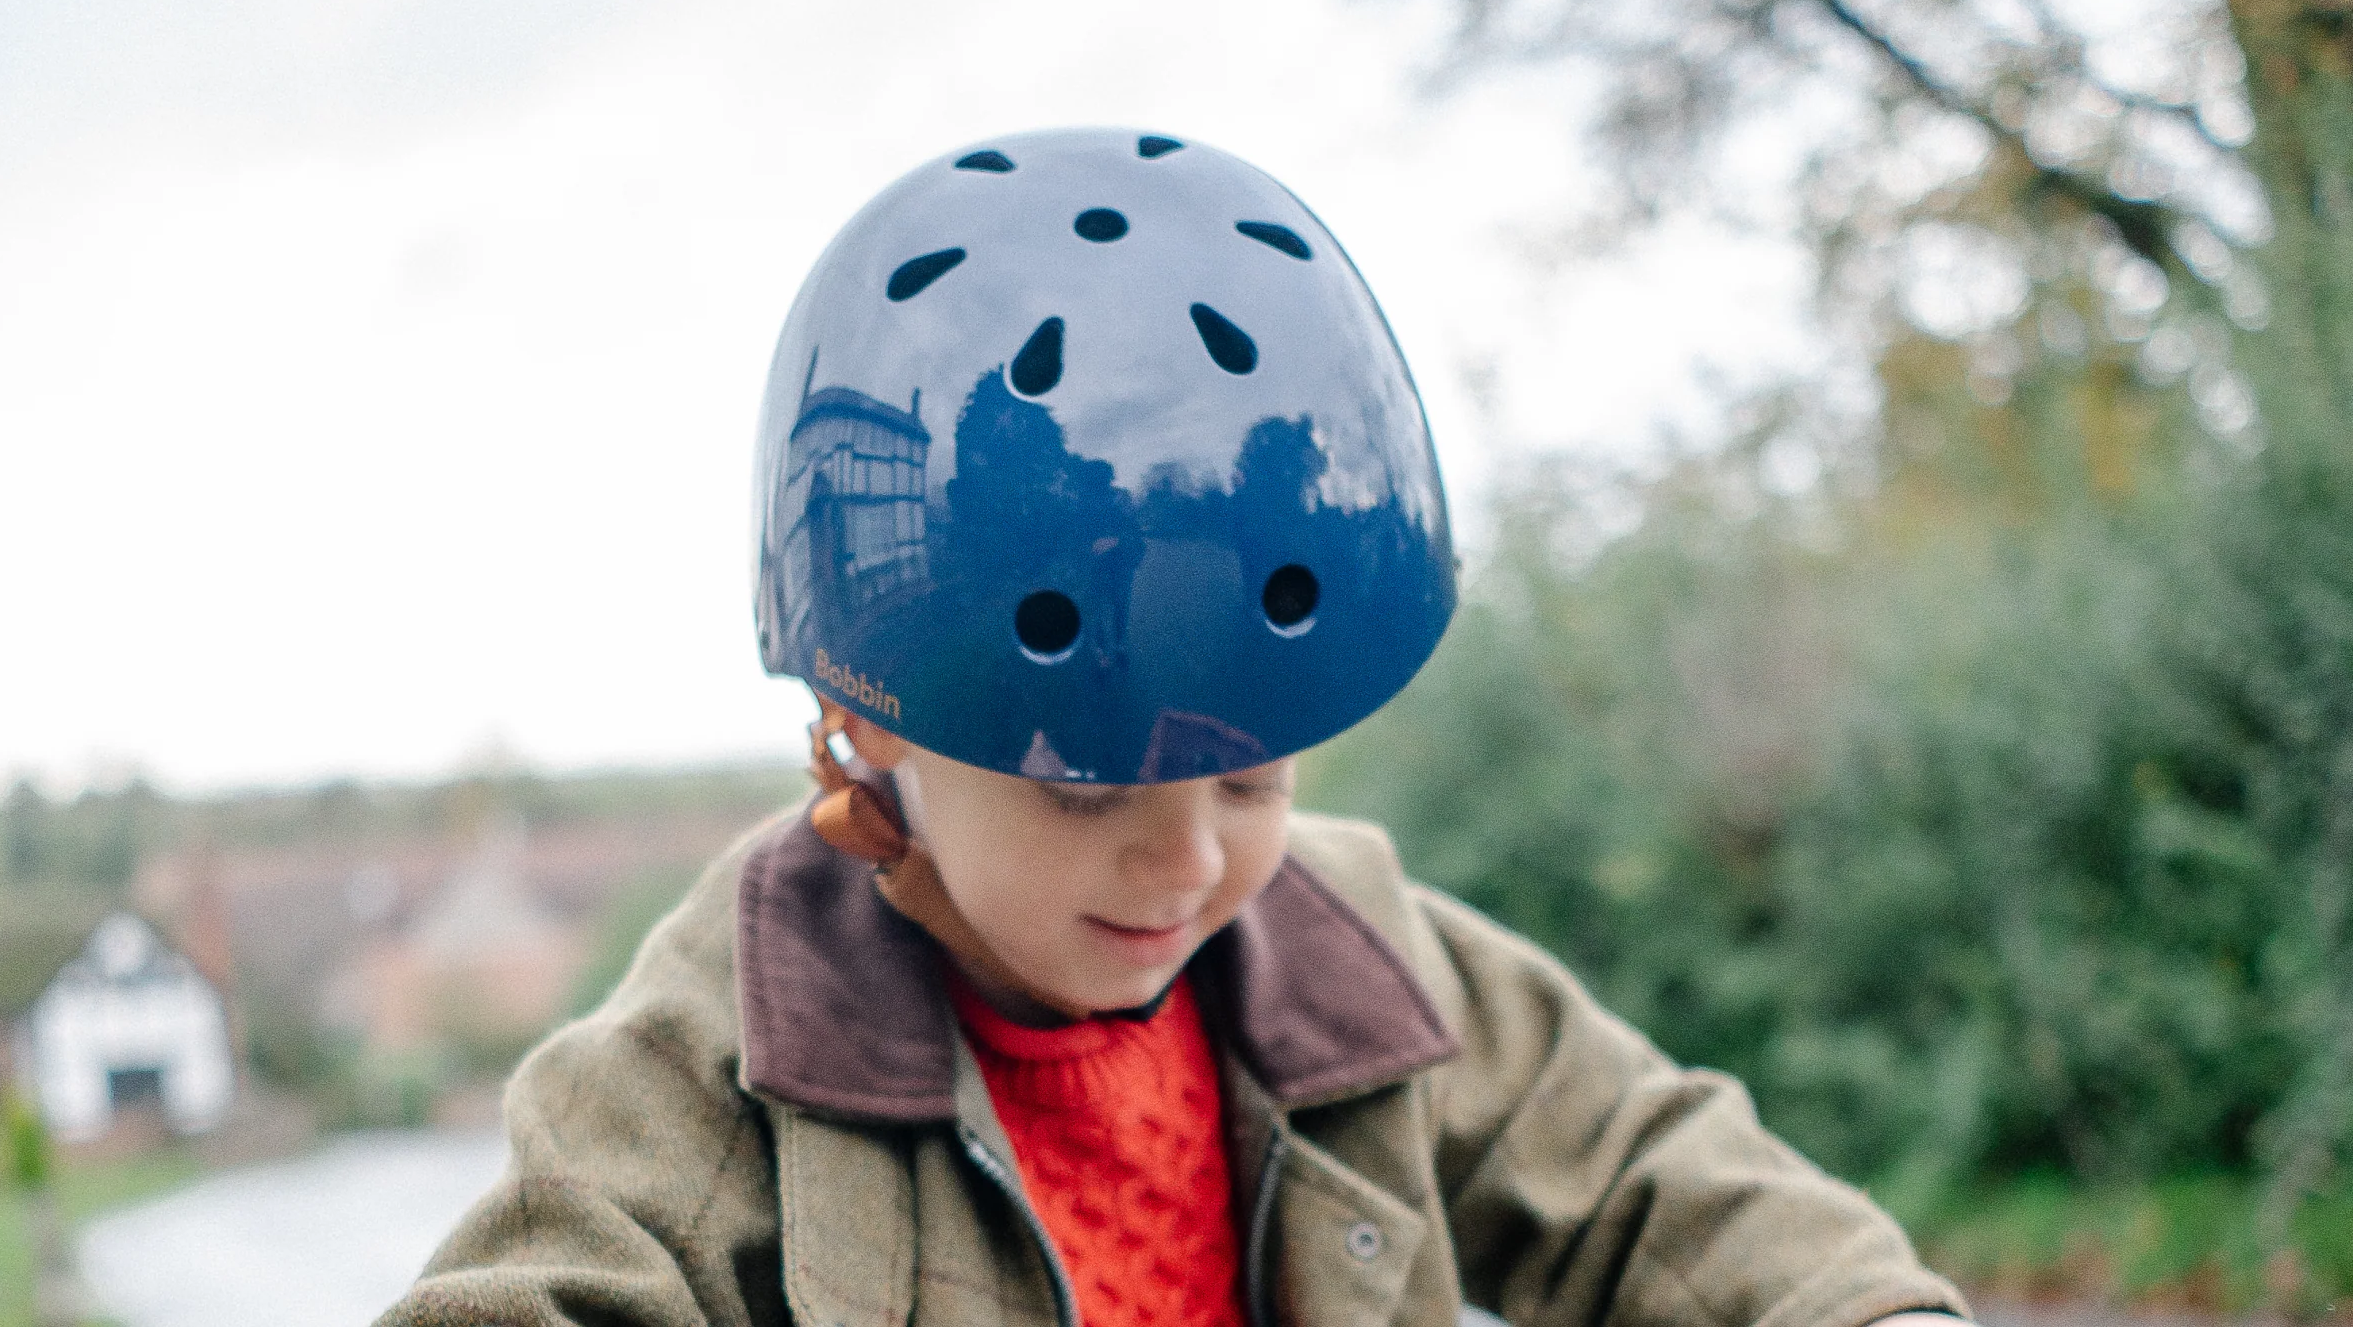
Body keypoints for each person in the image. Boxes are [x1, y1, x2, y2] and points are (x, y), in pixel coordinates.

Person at [377, 129, 1971, 1327]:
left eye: (1254, 776)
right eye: (1084, 794)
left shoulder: (1354, 946)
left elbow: (1646, 1176)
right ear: (872, 739)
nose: (1189, 859)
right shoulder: (725, 1048)